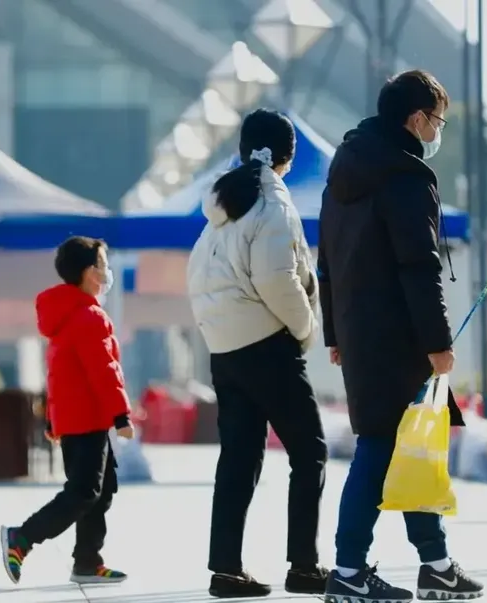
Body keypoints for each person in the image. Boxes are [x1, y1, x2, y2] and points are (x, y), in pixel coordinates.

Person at [318, 69, 484, 602]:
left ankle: (435, 564)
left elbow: (328, 265)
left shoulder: (343, 171)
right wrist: (438, 343)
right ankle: (347, 572)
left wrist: (335, 333)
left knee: (411, 447)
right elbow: (418, 265)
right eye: (437, 119)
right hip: (399, 337)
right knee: (383, 447)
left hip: (361, 333)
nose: (437, 130)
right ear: (416, 118)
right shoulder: (407, 176)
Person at [187, 108, 329, 599]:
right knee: (310, 452)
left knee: (240, 457)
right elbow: (277, 278)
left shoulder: (223, 203)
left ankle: (225, 570)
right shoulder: (272, 202)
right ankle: (304, 566)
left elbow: (201, 273)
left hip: (224, 348)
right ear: (288, 157)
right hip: (267, 345)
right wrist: (305, 328)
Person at [0, 236, 134, 586]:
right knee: (84, 492)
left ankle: (88, 561)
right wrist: (121, 415)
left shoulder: (66, 315)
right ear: (90, 273)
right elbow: (105, 371)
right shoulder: (89, 316)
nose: (107, 271)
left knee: (100, 490)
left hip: (78, 419)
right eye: (103, 264)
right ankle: (23, 538)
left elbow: (60, 373)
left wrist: (53, 417)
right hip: (89, 419)